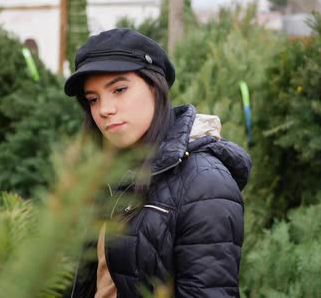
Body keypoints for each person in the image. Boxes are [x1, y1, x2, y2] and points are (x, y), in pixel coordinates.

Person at [63, 28, 252, 298]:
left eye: (119, 89)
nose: (104, 109)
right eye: (93, 99)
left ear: (155, 86)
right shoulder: (105, 175)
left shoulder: (205, 184)